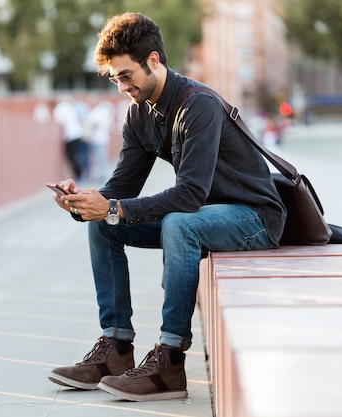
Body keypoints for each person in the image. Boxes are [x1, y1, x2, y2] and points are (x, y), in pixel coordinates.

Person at [47, 12, 286, 402]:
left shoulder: (199, 105)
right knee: (103, 225)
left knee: (178, 223)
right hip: (204, 216)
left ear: (153, 60)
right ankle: (116, 349)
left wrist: (116, 208)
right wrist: (84, 204)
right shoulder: (139, 114)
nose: (122, 86)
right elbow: (121, 189)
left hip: (252, 217)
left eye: (126, 75)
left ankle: (170, 361)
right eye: (115, 78)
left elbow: (190, 196)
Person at [51, 96, 88, 181]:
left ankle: (78, 175)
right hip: (77, 133)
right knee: (78, 155)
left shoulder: (59, 109)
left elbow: (59, 122)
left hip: (70, 136)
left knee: (72, 157)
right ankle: (80, 175)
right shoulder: (70, 107)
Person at [84, 99, 115, 181]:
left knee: (100, 157)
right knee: (100, 158)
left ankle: (104, 175)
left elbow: (93, 123)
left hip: (99, 138)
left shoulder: (98, 111)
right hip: (102, 138)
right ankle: (103, 174)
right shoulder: (104, 111)